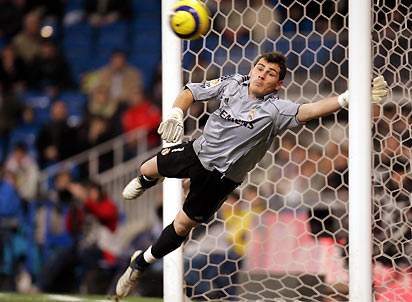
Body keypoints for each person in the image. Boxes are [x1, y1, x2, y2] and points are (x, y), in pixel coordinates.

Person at [113, 51, 388, 298]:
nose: (262, 74)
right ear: (253, 69)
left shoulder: (276, 110)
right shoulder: (233, 83)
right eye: (260, 68)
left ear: (277, 85)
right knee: (145, 169)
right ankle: (147, 180)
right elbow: (190, 92)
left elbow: (310, 110)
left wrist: (344, 99)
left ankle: (141, 263)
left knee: (182, 226)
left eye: (270, 74)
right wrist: (175, 114)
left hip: (221, 179)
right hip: (197, 152)